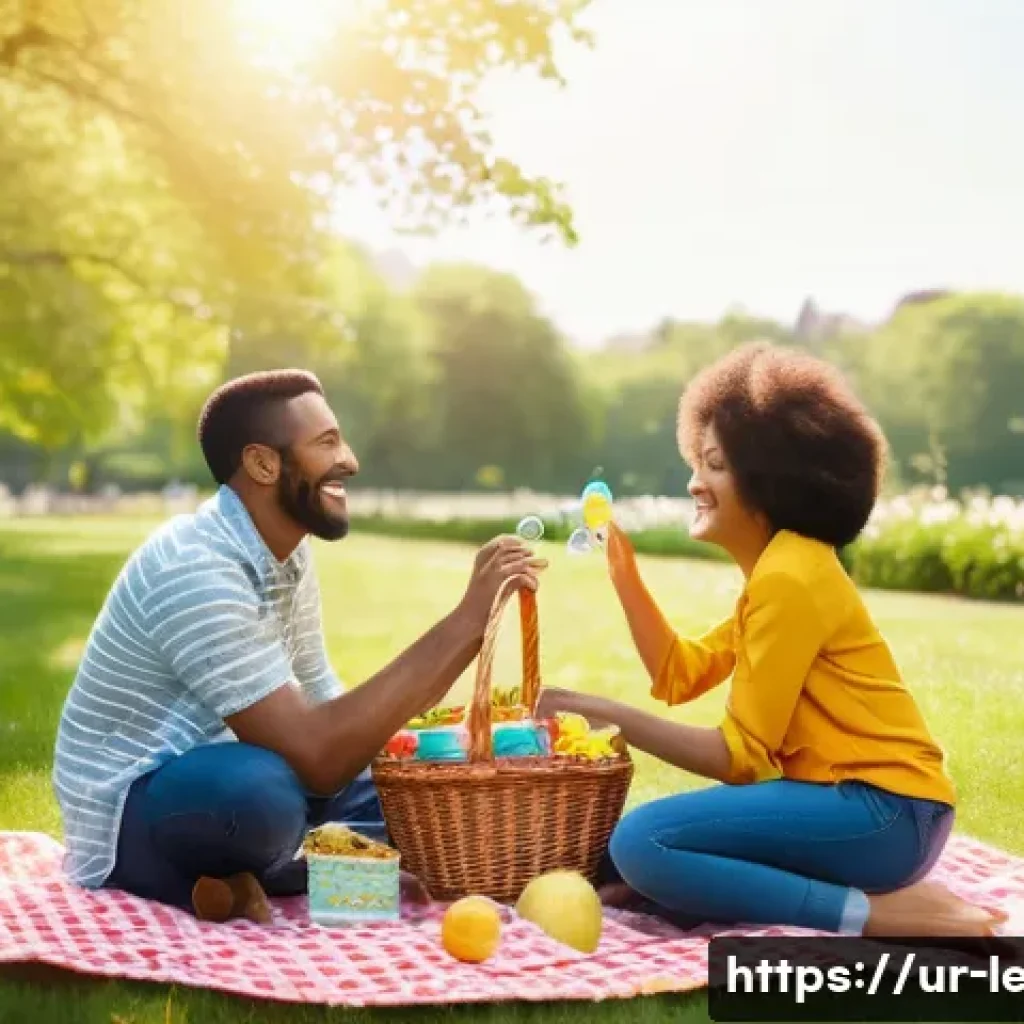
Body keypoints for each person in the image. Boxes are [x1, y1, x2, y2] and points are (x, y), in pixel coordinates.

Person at [536, 342, 1005, 938]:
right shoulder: (781, 572)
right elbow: (678, 675)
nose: (694, 483)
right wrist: (625, 576)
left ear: (768, 479)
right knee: (632, 854)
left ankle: (876, 915)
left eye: (714, 464)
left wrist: (600, 714)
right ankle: (865, 896)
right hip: (883, 814)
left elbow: (739, 757)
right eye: (697, 462)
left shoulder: (791, 578)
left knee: (642, 840)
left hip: (886, 813)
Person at [53, 369, 546, 923]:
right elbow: (317, 758)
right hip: (140, 805)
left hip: (258, 766)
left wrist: (418, 760)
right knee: (259, 796)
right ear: (263, 464)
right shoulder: (194, 568)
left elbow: (321, 697)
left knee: (416, 788)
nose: (349, 461)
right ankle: (285, 866)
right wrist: (466, 622)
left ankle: (251, 879)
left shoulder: (286, 553)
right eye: (326, 443)